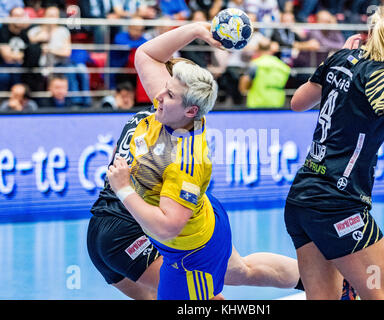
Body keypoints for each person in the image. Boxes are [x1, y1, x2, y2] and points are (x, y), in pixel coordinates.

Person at [89, 21, 301, 300]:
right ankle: (320, 277)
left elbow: (168, 226)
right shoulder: (167, 110)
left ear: (190, 108)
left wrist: (124, 188)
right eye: (165, 88)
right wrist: (197, 30)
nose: (159, 96)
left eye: (170, 93)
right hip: (112, 225)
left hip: (174, 238)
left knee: (214, 288)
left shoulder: (186, 156)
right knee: (240, 271)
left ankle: (326, 280)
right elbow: (146, 55)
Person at [284, 3, 384, 300]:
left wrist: (339, 61)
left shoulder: (341, 57)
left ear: (369, 32)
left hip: (302, 200)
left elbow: (297, 102)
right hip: (338, 205)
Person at [239, 37, 291, 108]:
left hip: (257, 103)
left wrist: (245, 90)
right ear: (271, 49)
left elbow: (244, 84)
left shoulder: (255, 64)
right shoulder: (282, 66)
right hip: (277, 102)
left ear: (258, 49)